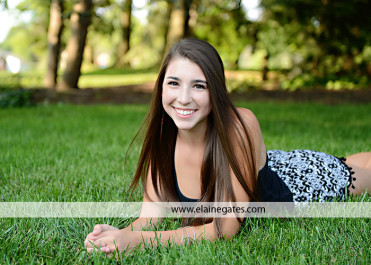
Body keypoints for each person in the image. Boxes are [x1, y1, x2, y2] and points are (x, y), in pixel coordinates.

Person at [84, 38, 371, 255]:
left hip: (298, 184)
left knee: (356, 169)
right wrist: (118, 235)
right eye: (174, 83)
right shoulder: (165, 129)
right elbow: (151, 216)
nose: (183, 98)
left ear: (216, 91)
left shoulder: (239, 123)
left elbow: (225, 228)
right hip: (264, 164)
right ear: (161, 87)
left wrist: (136, 242)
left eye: (199, 86)